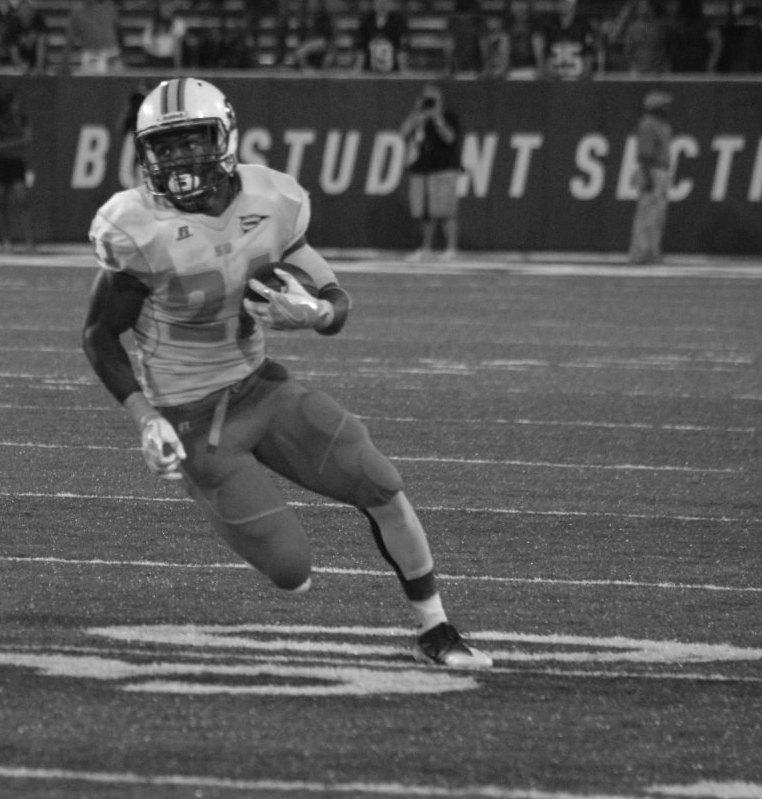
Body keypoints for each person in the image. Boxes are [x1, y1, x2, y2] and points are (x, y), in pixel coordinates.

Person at [80, 77, 491, 670]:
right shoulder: (136, 225)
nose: (177, 159)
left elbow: (334, 298)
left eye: (190, 141)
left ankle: (436, 626)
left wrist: (317, 313)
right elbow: (98, 333)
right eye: (163, 147)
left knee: (378, 478)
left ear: (224, 139)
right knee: (292, 572)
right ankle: (208, 484)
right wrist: (145, 419)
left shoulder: (271, 199)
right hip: (193, 419)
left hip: (260, 385)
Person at [400, 83, 462, 261]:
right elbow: (403, 133)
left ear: (441, 100)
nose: (430, 102)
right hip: (424, 169)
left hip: (444, 168)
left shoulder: (448, 116)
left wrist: (437, 119)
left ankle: (451, 248)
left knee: (446, 212)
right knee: (426, 213)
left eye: (433, 98)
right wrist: (416, 112)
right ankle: (426, 248)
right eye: (427, 98)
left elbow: (450, 137)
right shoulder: (420, 117)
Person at [0, 90, 34, 252]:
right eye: (15, 103)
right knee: (1, 204)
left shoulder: (22, 120)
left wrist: (7, 144)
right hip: (0, 164)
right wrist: (15, 143)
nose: (17, 106)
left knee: (22, 201)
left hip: (15, 163)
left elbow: (27, 140)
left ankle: (28, 241)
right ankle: (6, 241)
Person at [628, 90, 673, 265]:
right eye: (664, 105)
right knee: (646, 214)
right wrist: (647, 177)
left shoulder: (661, 124)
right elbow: (645, 155)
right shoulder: (648, 124)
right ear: (656, 108)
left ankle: (652, 253)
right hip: (652, 170)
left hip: (661, 170)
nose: (667, 108)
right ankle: (640, 254)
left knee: (656, 215)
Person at [65, 0, 121, 74]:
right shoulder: (77, 14)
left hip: (111, 54)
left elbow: (118, 32)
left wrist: (121, 54)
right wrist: (65, 63)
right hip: (92, 56)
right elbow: (69, 40)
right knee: (92, 84)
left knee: (117, 83)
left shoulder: (109, 7)